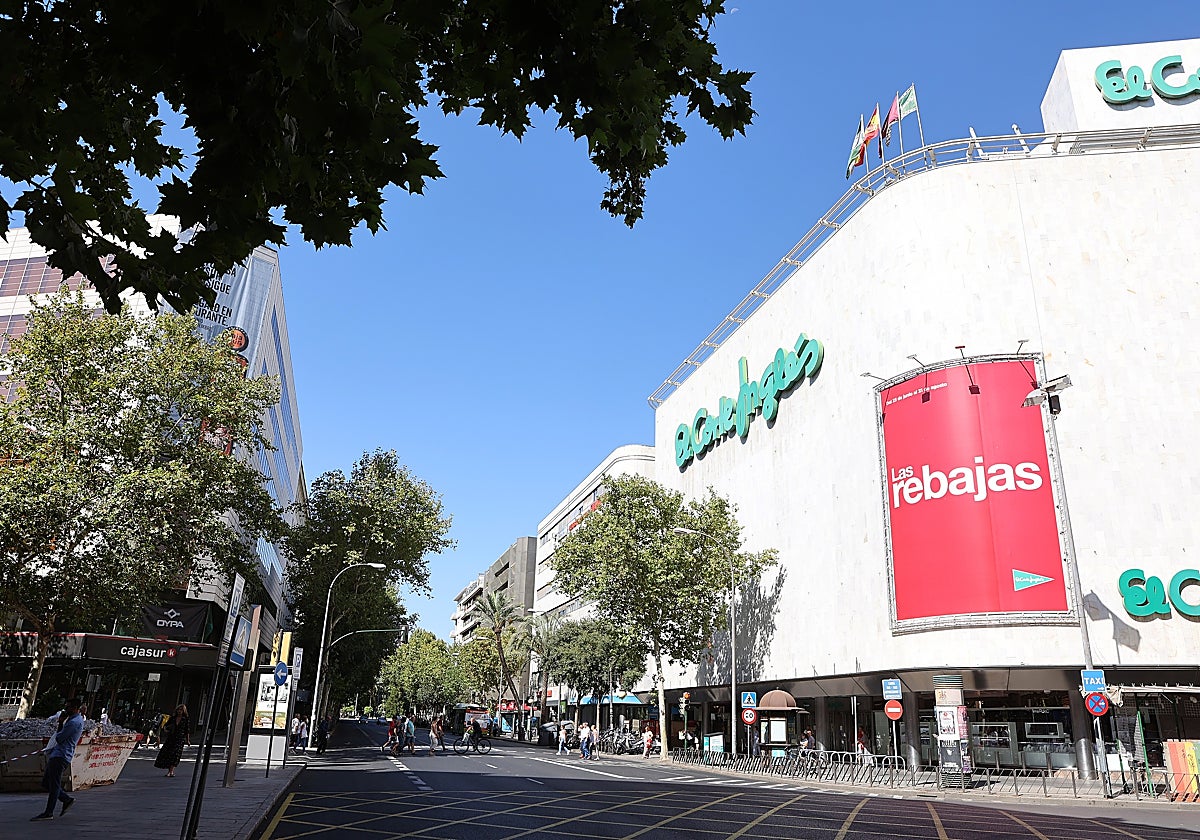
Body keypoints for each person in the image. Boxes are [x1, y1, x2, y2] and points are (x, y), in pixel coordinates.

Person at [31, 697, 83, 821]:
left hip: (61, 755)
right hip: (58, 754)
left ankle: (49, 812)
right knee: (46, 782)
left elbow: (59, 738)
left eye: (68, 707)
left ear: (75, 708)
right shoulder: (73, 720)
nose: (66, 709)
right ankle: (65, 799)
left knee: (54, 784)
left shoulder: (73, 723)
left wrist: (60, 723)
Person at [154, 704, 190, 777]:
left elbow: (187, 730)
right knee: (169, 753)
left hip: (180, 739)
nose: (179, 711)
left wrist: (188, 740)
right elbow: (166, 726)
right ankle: (169, 770)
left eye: (181, 710)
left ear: (184, 711)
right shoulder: (173, 718)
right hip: (171, 738)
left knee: (175, 755)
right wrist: (166, 729)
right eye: (178, 710)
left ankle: (171, 771)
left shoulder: (185, 719)